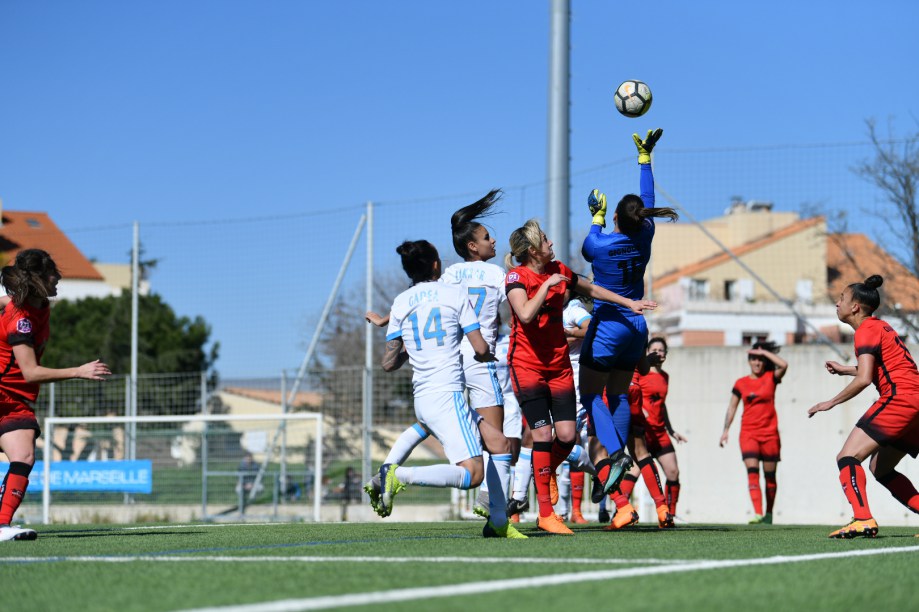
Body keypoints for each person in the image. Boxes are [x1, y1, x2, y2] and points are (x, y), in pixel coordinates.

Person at [363, 192, 516, 523]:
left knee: (455, 431)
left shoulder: (425, 290)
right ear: (436, 264)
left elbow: (393, 355)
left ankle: (385, 472)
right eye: (488, 236)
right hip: (468, 370)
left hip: (434, 379)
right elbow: (502, 320)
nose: (494, 240)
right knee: (484, 458)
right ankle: (491, 506)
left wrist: (388, 324)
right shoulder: (487, 279)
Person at [504, 218, 654, 535]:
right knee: (542, 436)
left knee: (568, 436)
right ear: (532, 250)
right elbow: (526, 315)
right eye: (545, 240)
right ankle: (545, 512)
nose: (551, 243)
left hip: (558, 366)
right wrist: (547, 284)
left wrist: (630, 302)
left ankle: (541, 474)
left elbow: (593, 288)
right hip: (526, 366)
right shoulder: (517, 276)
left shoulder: (559, 269)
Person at [578, 129, 679, 506]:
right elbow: (648, 201)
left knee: (590, 394)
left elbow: (588, 245)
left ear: (616, 216)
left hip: (608, 325)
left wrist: (596, 217)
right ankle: (621, 456)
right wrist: (645, 160)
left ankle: (617, 453)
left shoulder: (600, 243)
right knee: (618, 392)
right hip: (637, 326)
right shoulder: (645, 235)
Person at [0, 249, 111, 541]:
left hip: (12, 401)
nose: (58, 276)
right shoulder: (21, 320)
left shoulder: (33, 305)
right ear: (39, 278)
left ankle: (1, 526)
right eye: (53, 272)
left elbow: (5, 302)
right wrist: (79, 370)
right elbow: (31, 373)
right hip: (2, 395)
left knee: (23, 454)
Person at [809, 275, 919, 538]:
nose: (837, 303)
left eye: (842, 299)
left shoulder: (865, 331)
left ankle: (862, 519)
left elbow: (865, 378)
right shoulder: (881, 327)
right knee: (879, 468)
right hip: (915, 402)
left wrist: (830, 402)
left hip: (900, 399)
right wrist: (846, 369)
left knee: (847, 457)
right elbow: (881, 368)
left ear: (855, 307)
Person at [719, 340, 788, 524]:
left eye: (760, 359)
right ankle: (757, 513)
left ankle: (769, 514)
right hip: (748, 433)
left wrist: (764, 352)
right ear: (748, 361)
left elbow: (784, 364)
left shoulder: (771, 377)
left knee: (770, 477)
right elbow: (732, 408)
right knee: (752, 471)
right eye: (754, 359)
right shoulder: (741, 383)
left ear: (764, 361)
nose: (757, 363)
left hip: (770, 434)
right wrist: (725, 430)